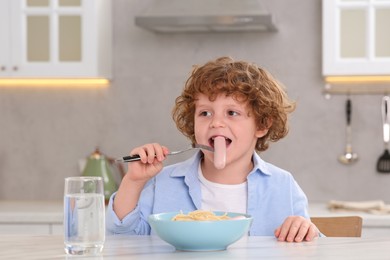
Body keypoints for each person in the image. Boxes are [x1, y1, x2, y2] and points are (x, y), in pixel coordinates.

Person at [106, 56, 320, 242]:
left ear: (262, 125)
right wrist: (133, 182)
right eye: (205, 113)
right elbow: (122, 238)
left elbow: (310, 245)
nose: (216, 123)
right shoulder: (162, 183)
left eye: (232, 113)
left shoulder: (283, 186)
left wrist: (305, 230)